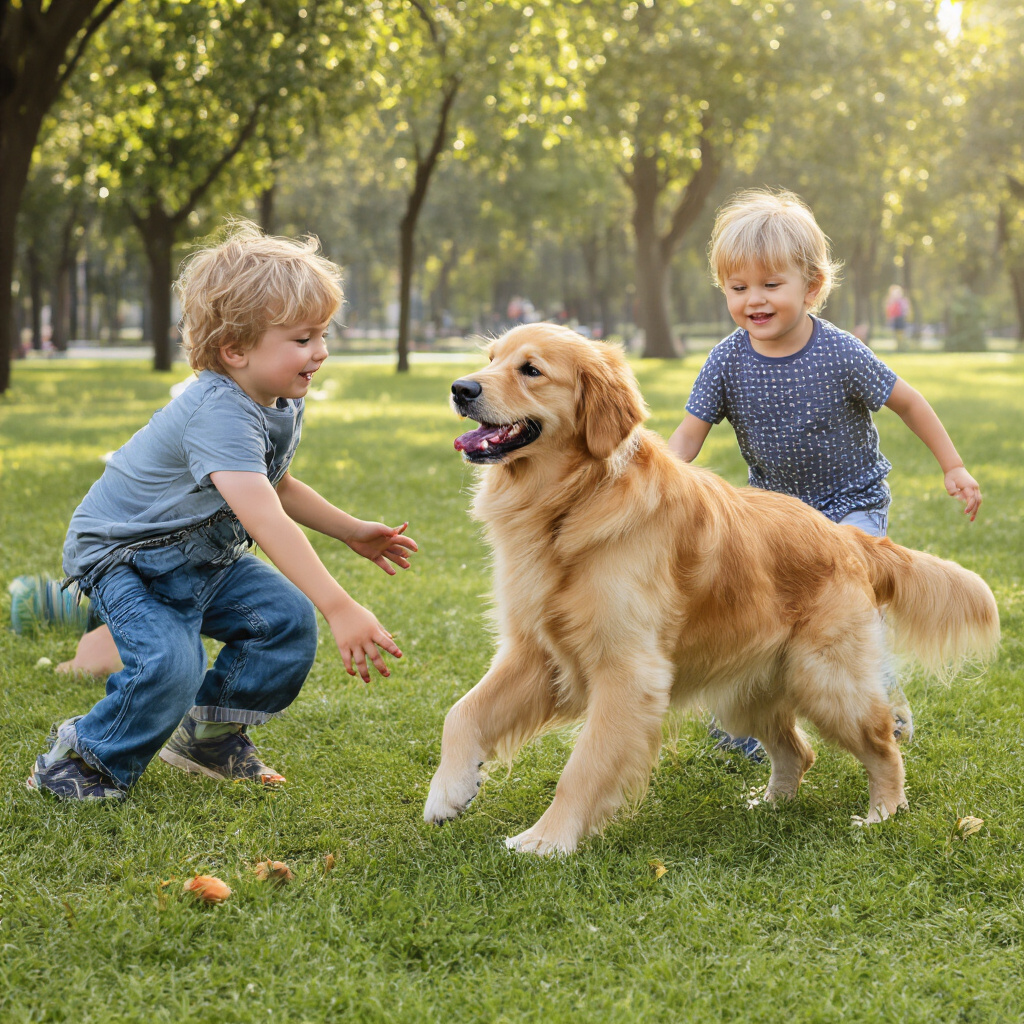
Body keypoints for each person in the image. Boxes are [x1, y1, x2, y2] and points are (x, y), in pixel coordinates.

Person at [26, 222, 418, 801]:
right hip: (128, 558)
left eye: (322, 333)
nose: (321, 350)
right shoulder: (218, 411)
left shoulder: (276, 397)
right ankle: (83, 761)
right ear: (235, 350)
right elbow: (263, 516)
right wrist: (339, 605)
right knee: (169, 665)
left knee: (284, 621)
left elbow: (275, 485)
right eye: (303, 338)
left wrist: (352, 532)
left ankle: (209, 737)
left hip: (200, 558)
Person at [668, 189, 982, 756]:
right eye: (738, 288)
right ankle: (751, 716)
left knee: (846, 614)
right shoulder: (725, 360)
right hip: (774, 516)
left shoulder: (840, 352)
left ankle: (880, 695)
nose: (753, 300)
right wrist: (660, 483)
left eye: (770, 285)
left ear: (811, 287)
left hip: (850, 502)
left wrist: (953, 466)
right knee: (763, 616)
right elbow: (689, 435)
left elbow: (907, 401)